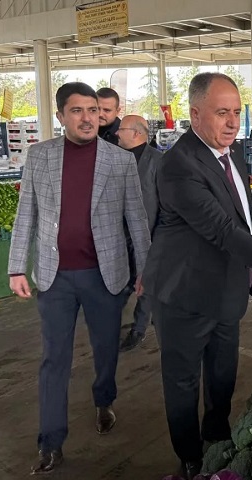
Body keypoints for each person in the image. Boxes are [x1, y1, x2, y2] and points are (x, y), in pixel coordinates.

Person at [140, 72, 252, 480]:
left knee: (223, 374)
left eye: (237, 112)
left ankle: (216, 435)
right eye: (222, 113)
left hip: (227, 289)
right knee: (183, 382)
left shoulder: (233, 152)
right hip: (184, 295)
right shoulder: (178, 166)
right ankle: (189, 455)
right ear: (195, 114)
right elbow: (222, 229)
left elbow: (243, 220)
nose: (232, 122)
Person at [7, 82, 151, 475]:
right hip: (54, 278)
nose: (87, 118)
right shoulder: (40, 156)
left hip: (105, 275)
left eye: (93, 110)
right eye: (77, 110)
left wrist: (145, 270)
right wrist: (16, 266)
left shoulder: (119, 161)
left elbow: (137, 219)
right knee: (54, 358)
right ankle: (50, 443)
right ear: (60, 116)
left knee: (105, 349)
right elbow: (26, 213)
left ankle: (104, 400)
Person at [115, 115, 162, 352]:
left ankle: (139, 329)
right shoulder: (115, 158)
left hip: (149, 235)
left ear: (136, 133)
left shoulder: (158, 161)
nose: (116, 133)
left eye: (121, 129)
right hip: (120, 236)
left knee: (146, 284)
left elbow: (165, 203)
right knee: (122, 282)